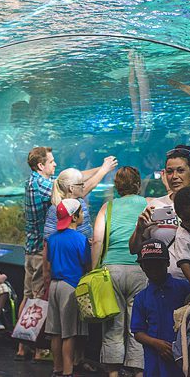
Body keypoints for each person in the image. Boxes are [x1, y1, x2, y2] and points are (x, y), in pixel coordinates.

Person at [17, 146, 116, 361]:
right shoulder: (42, 185)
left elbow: (75, 179)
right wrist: (103, 171)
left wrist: (101, 167)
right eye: (51, 162)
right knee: (37, 300)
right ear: (41, 165)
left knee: (29, 297)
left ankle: (24, 347)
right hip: (40, 254)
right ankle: (36, 348)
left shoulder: (34, 181)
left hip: (32, 249)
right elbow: (81, 188)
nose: (55, 164)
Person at [91, 167, 149, 377]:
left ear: (117, 186)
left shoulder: (108, 207)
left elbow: (97, 239)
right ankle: (138, 373)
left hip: (111, 270)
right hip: (140, 270)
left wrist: (93, 270)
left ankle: (113, 373)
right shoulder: (147, 204)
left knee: (112, 326)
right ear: (138, 184)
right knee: (138, 325)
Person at [129, 145, 190, 280]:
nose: (174, 176)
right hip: (164, 284)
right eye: (170, 172)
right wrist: (139, 230)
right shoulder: (155, 206)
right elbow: (133, 250)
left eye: (180, 171)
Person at [44, 198, 91, 377]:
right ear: (73, 216)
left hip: (54, 286)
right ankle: (68, 371)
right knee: (69, 333)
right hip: (70, 286)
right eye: (80, 212)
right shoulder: (80, 239)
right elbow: (87, 265)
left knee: (55, 332)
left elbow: (48, 264)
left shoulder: (53, 238)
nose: (82, 215)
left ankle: (57, 368)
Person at [131, 239, 190, 377]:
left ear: (167, 263)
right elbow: (138, 332)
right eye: (148, 266)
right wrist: (156, 344)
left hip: (182, 354)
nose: (153, 270)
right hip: (154, 358)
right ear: (142, 267)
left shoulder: (184, 288)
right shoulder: (141, 297)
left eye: (158, 265)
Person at [44, 168, 94, 241]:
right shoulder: (56, 208)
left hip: (85, 247)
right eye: (81, 184)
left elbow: (86, 225)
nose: (83, 186)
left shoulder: (81, 202)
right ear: (71, 188)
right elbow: (48, 236)